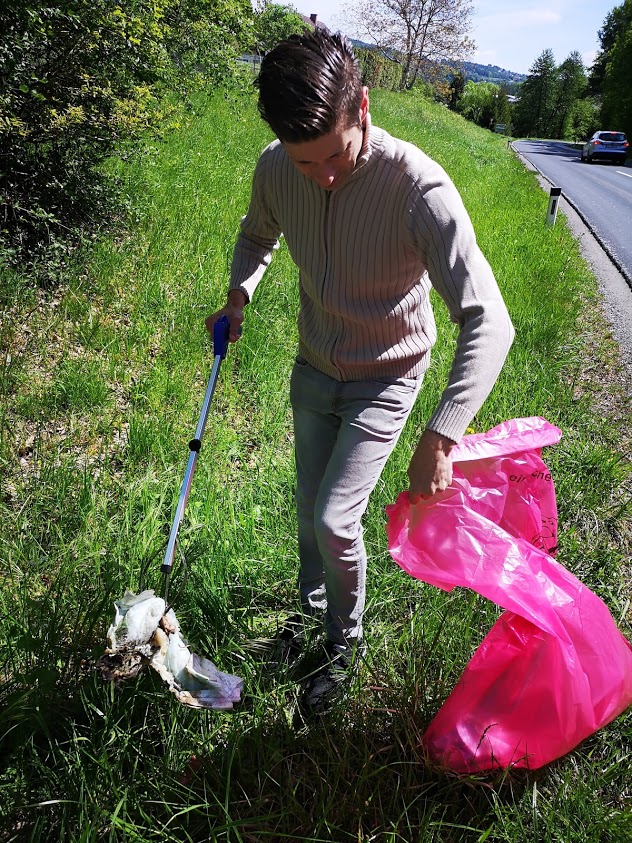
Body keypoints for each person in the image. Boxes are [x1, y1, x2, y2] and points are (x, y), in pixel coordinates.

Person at [206, 29, 514, 710]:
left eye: (335, 156)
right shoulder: (275, 167)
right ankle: (309, 613)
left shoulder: (418, 188)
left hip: (388, 374)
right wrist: (239, 292)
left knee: (336, 520)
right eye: (305, 162)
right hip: (314, 363)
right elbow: (258, 234)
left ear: (365, 107)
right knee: (306, 513)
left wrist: (441, 434)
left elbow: (490, 319)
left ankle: (344, 645)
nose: (324, 177)